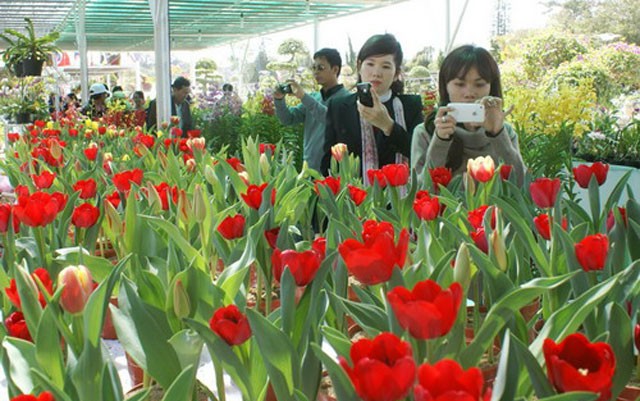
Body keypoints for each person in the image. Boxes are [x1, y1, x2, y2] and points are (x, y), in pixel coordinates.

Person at [411, 45, 525, 185]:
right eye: (459, 84)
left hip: (495, 207)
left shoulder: (504, 131)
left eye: (480, 84)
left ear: (491, 87)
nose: (469, 93)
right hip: (446, 207)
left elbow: (521, 184)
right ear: (445, 87)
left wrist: (497, 135)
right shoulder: (425, 131)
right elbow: (420, 191)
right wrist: (440, 141)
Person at [321, 34, 423, 182]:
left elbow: (420, 155)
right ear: (359, 67)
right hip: (355, 198)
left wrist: (388, 126)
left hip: (400, 200)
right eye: (370, 64)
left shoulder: (410, 106)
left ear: (396, 74)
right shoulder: (339, 107)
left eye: (386, 66)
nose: (376, 73)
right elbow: (328, 162)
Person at [275, 48, 350, 171]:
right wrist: (279, 100)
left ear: (335, 69)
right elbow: (288, 119)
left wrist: (303, 96)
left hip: (333, 170)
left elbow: (329, 119)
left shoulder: (347, 99)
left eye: (320, 68)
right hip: (309, 167)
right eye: (313, 68)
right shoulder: (314, 98)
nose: (316, 72)